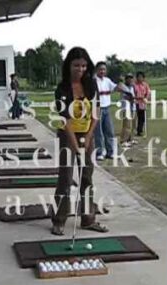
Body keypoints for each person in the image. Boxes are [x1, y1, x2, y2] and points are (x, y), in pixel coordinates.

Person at [51, 47, 109, 236]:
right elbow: (65, 120)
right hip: (67, 135)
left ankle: (88, 219)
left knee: (87, 177)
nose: (80, 69)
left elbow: (96, 113)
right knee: (66, 178)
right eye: (76, 65)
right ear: (69, 65)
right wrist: (76, 147)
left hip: (87, 134)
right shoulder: (62, 89)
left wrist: (89, 137)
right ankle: (59, 220)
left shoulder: (91, 85)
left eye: (84, 66)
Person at [94, 62, 123, 160]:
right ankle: (100, 152)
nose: (102, 71)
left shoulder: (107, 80)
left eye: (104, 69)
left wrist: (120, 82)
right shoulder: (93, 81)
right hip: (97, 109)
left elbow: (116, 88)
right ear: (97, 70)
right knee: (99, 132)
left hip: (107, 108)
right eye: (100, 69)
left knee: (109, 131)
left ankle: (110, 152)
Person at [120, 73, 136, 147]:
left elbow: (133, 96)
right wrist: (132, 98)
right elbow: (127, 97)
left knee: (132, 124)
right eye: (128, 78)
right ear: (126, 79)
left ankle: (130, 139)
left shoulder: (132, 87)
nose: (130, 80)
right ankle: (123, 140)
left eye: (131, 78)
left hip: (132, 107)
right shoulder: (123, 87)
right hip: (126, 108)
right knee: (126, 125)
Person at [134, 71, 151, 136]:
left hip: (143, 103)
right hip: (136, 102)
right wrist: (140, 98)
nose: (140, 78)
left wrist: (146, 98)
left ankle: (140, 130)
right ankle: (136, 130)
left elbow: (148, 92)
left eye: (141, 77)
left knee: (142, 118)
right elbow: (133, 94)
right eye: (138, 77)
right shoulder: (134, 85)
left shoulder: (145, 85)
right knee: (136, 117)